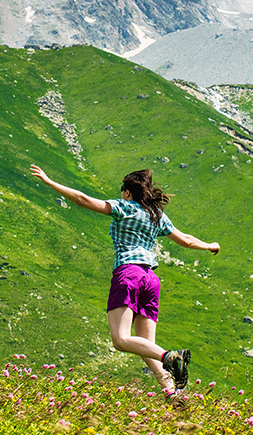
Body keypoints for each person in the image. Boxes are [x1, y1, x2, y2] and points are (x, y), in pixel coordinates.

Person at [30, 164, 220, 396]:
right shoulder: (157, 215)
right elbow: (186, 240)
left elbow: (82, 199)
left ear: (128, 192)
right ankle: (174, 394)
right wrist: (210, 245)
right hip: (150, 279)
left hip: (129, 274)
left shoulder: (124, 207)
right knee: (144, 345)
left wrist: (50, 182)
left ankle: (171, 357)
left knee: (121, 340)